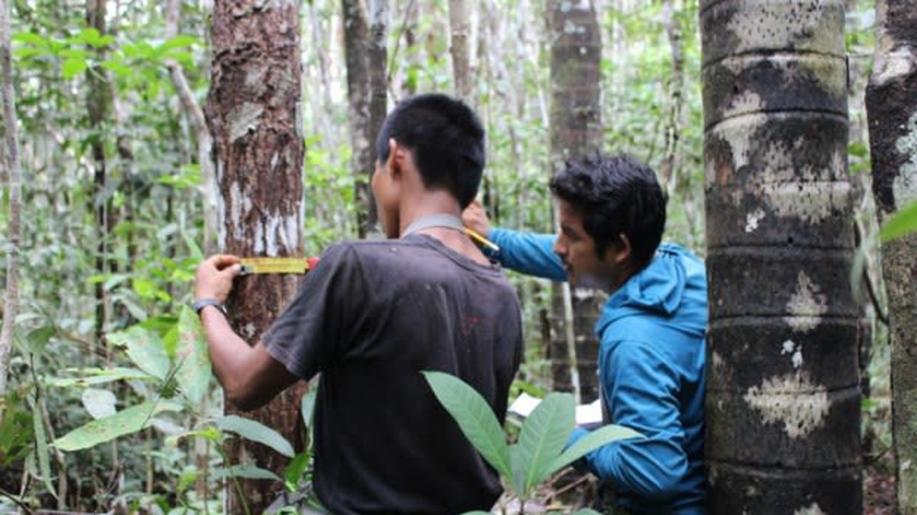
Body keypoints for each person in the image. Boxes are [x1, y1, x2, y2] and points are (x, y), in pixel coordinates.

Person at [193, 93, 523, 514]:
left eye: (374, 170)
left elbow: (244, 384)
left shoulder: (358, 267)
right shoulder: (503, 295)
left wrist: (208, 302)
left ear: (395, 157)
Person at [463, 154, 706, 514]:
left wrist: (560, 436)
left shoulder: (632, 343)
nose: (559, 246)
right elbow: (560, 255)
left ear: (620, 248)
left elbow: (655, 471)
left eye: (570, 235)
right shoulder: (679, 267)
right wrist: (492, 239)